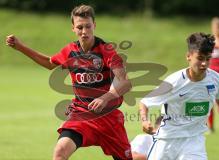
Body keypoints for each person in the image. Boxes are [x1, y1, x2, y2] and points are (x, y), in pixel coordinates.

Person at [6, 4, 133, 160]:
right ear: (73, 28)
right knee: (60, 152)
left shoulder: (107, 51)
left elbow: (125, 83)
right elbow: (48, 62)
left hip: (110, 119)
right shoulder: (70, 51)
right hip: (82, 116)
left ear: (94, 25)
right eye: (80, 27)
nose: (84, 31)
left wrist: (104, 98)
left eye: (88, 26)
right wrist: (20, 47)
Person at [139, 32, 219, 160]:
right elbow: (145, 102)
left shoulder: (216, 79)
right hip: (167, 140)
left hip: (194, 141)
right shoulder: (173, 82)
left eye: (208, 58)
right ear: (188, 56)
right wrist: (145, 121)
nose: (204, 63)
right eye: (200, 58)